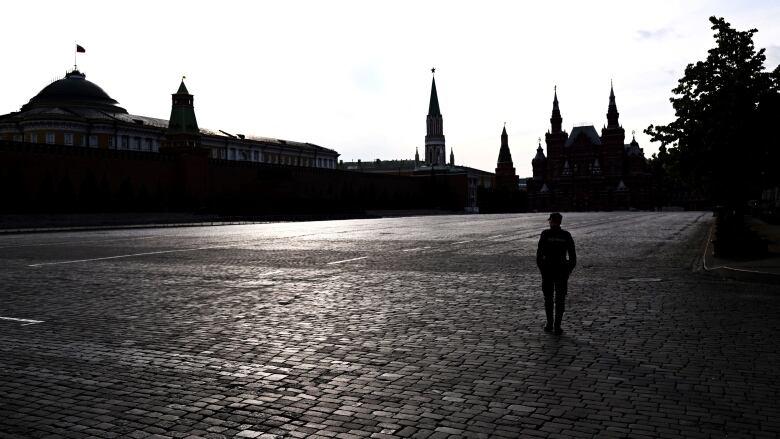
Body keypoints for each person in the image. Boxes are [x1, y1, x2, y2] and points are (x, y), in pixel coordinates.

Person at [536, 212, 576, 335]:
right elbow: (573, 258)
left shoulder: (545, 234)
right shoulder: (566, 235)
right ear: (560, 222)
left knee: (548, 298)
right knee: (560, 299)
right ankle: (557, 326)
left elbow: (539, 256)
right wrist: (567, 271)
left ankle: (549, 324)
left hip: (548, 271)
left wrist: (543, 270)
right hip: (561, 271)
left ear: (551, 221)